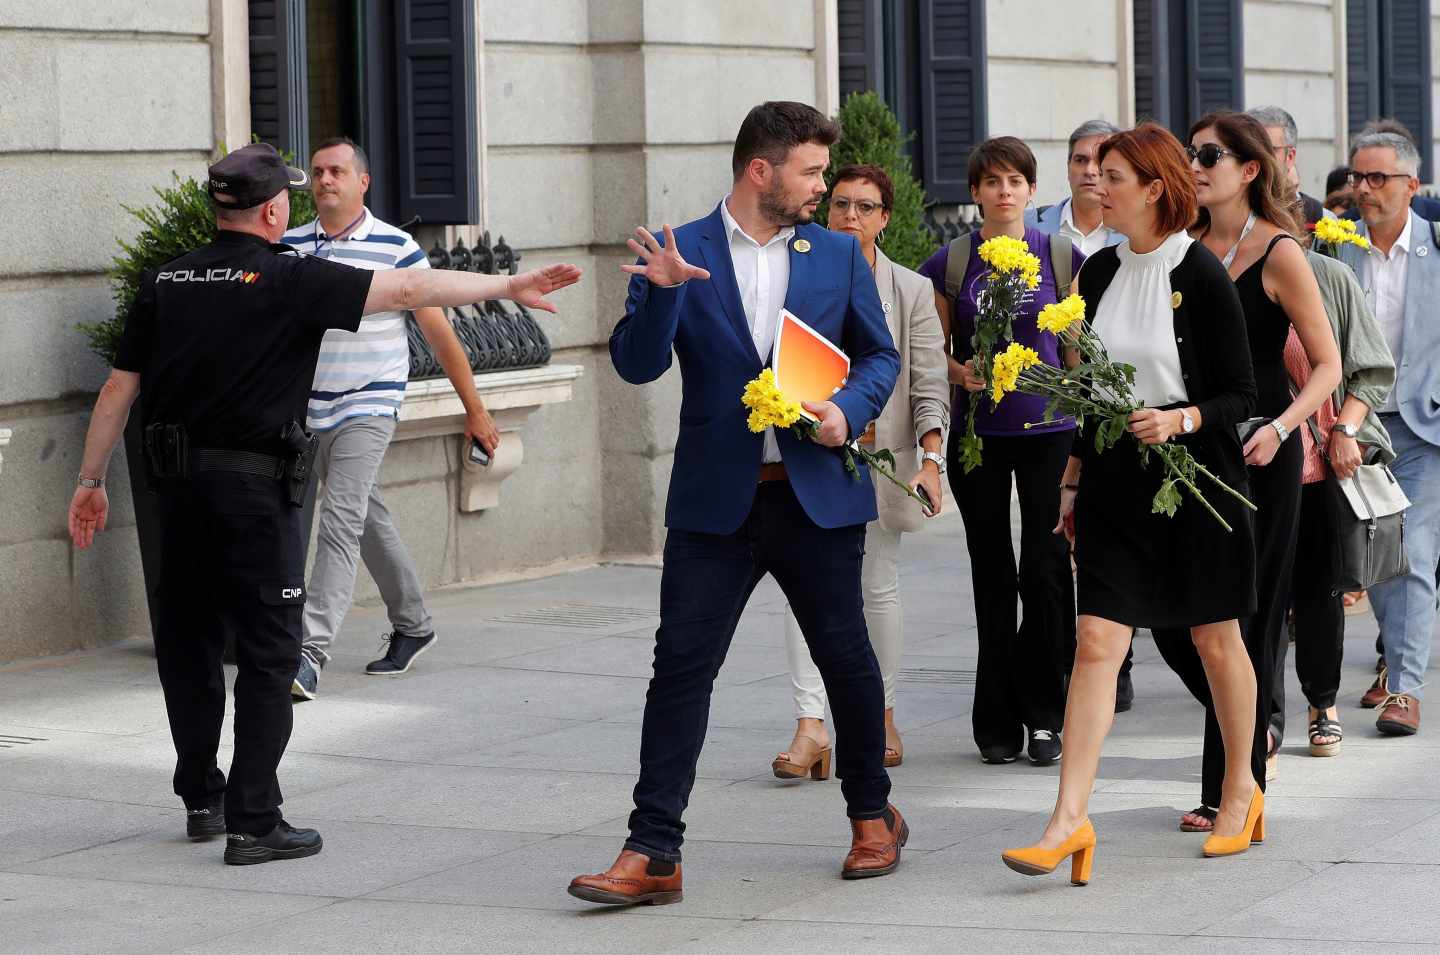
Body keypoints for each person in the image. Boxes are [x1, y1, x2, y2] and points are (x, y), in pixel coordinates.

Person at [65, 144, 581, 864]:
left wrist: (89, 483)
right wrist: (512, 281)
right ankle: (254, 819)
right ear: (275, 210)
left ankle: (202, 796)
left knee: (189, 649)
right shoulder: (289, 277)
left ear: (219, 207)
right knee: (271, 655)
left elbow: (119, 388)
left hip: (174, 493)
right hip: (253, 494)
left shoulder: (165, 277)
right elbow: (407, 292)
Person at [568, 102, 905, 907]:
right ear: (763, 170)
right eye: (813, 172)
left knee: (847, 662)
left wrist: (846, 411)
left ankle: (870, 816)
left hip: (816, 496)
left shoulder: (835, 253)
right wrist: (661, 298)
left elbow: (878, 354)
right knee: (680, 671)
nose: (824, 188)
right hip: (716, 505)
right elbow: (639, 367)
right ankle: (653, 852)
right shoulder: (679, 249)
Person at [1001, 123, 1263, 886]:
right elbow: (1089, 391)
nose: (1096, 184)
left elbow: (1242, 392)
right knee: (1094, 642)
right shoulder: (1099, 271)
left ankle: (1240, 791)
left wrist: (1180, 417)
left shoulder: (1203, 274)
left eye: (1112, 175)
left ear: (1153, 188)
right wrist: (1075, 474)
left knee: (1217, 639)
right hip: (1116, 478)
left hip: (1193, 474)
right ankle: (1068, 817)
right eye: (1094, 173)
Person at [1154, 111, 1340, 832]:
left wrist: (1283, 427)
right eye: (1190, 153)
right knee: (1179, 616)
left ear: (1250, 169)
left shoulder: (1281, 251)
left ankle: (1233, 791)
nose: (1196, 165)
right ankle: (1244, 724)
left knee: (1248, 618)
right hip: (1192, 446)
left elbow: (1326, 365)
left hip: (1263, 452)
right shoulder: (1181, 248)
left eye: (1210, 154)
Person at [281, 137, 499, 700]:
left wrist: (475, 411)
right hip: (309, 406)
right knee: (365, 514)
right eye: (318, 171)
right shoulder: (290, 246)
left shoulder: (397, 246)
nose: (325, 179)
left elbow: (439, 332)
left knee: (340, 518)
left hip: (370, 400)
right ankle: (414, 624)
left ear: (362, 182)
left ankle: (309, 653)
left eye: (337, 171)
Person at [771, 164, 948, 779]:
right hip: (812, 455)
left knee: (876, 586)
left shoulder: (911, 291)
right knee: (805, 589)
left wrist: (931, 461)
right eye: (840, 203)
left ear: (885, 218)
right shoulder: (796, 275)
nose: (850, 215)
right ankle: (810, 725)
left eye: (865, 207)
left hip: (883, 460)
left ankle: (882, 713)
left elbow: (928, 385)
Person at [919, 136, 1082, 767]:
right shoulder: (953, 263)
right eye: (992, 181)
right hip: (977, 437)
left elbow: (1075, 348)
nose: (1004, 191)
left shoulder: (1060, 257)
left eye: (1015, 181)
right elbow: (932, 349)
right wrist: (961, 375)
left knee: (1044, 571)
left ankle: (1044, 715)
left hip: (1049, 432)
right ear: (977, 192)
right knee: (992, 574)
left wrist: (1078, 419)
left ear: (1031, 192)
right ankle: (995, 719)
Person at [1331, 131, 1440, 736]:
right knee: (1364, 557)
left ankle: (1405, 689)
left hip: (1424, 426)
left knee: (1413, 555)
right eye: (1358, 178)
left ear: (1411, 186)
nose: (1365, 189)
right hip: (1353, 424)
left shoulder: (1437, 246)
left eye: (1379, 179)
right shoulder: (1336, 250)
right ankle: (1372, 676)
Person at [1278, 250, 1396, 757]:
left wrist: (1346, 428)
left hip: (1319, 463)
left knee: (1318, 589)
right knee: (1255, 598)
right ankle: (1261, 718)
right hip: (1246, 462)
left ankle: (1321, 702)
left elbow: (1370, 369)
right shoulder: (1215, 268)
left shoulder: (1328, 276)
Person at [1027, 120, 1126, 256]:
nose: (1089, 171)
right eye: (1080, 160)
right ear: (1068, 168)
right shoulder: (1026, 225)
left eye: (1100, 161)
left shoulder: (1135, 235)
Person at [1247, 105, 1332, 226]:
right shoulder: (1220, 216)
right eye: (1250, 149)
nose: (1259, 157)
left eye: (1269, 149)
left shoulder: (1320, 220)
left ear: (1290, 157)